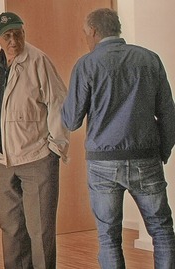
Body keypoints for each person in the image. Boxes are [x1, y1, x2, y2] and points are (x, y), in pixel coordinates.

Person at [62, 8, 175, 269]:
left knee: (109, 237)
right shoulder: (149, 59)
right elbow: (168, 112)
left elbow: (71, 120)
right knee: (161, 230)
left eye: (85, 33)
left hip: (102, 163)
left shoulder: (87, 64)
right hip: (146, 157)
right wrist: (163, 150)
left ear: (92, 31)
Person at [0, 12, 69, 269]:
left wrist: (55, 147)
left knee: (40, 231)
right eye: (7, 35)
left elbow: (59, 105)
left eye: (18, 33)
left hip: (36, 159)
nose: (14, 40)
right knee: (11, 229)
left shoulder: (39, 61)